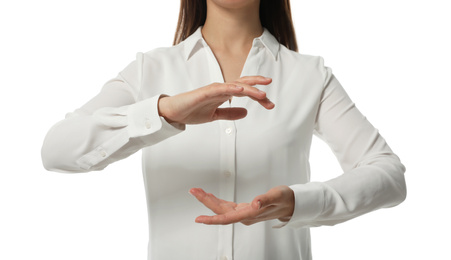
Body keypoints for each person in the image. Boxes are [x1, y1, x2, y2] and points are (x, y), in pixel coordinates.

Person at [41, 0, 407, 259]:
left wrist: (298, 201)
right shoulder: (148, 71)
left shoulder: (309, 75)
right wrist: (163, 111)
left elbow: (388, 174)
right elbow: (57, 149)